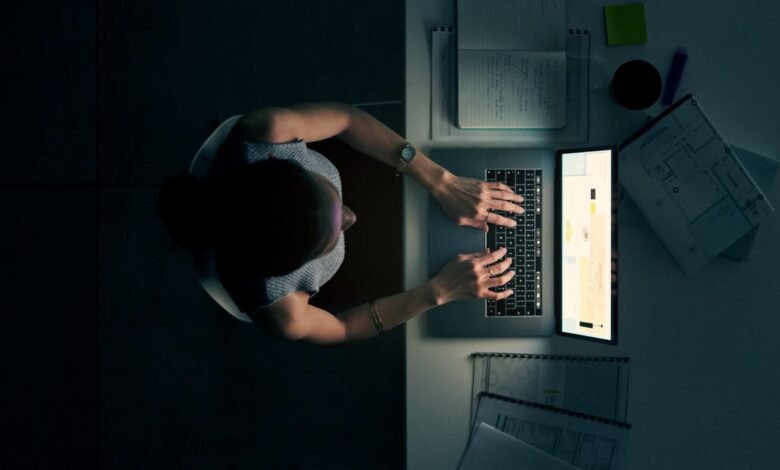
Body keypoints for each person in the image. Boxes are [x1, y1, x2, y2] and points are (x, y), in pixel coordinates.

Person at [159, 102, 524, 345]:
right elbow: (345, 328)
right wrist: (438, 292)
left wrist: (442, 181)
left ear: (277, 157)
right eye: (330, 238)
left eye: (333, 200)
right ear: (287, 273)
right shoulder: (281, 309)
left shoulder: (269, 131)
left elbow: (347, 119)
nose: (352, 217)